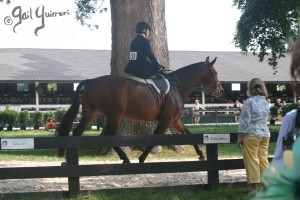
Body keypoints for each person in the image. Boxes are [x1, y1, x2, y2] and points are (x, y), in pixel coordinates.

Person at [237, 78, 270, 194]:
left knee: (252, 160)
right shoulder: (266, 102)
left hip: (252, 134)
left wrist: (240, 136)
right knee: (263, 159)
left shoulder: (249, 102)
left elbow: (245, 121)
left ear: (250, 89)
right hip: (265, 134)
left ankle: (254, 189)